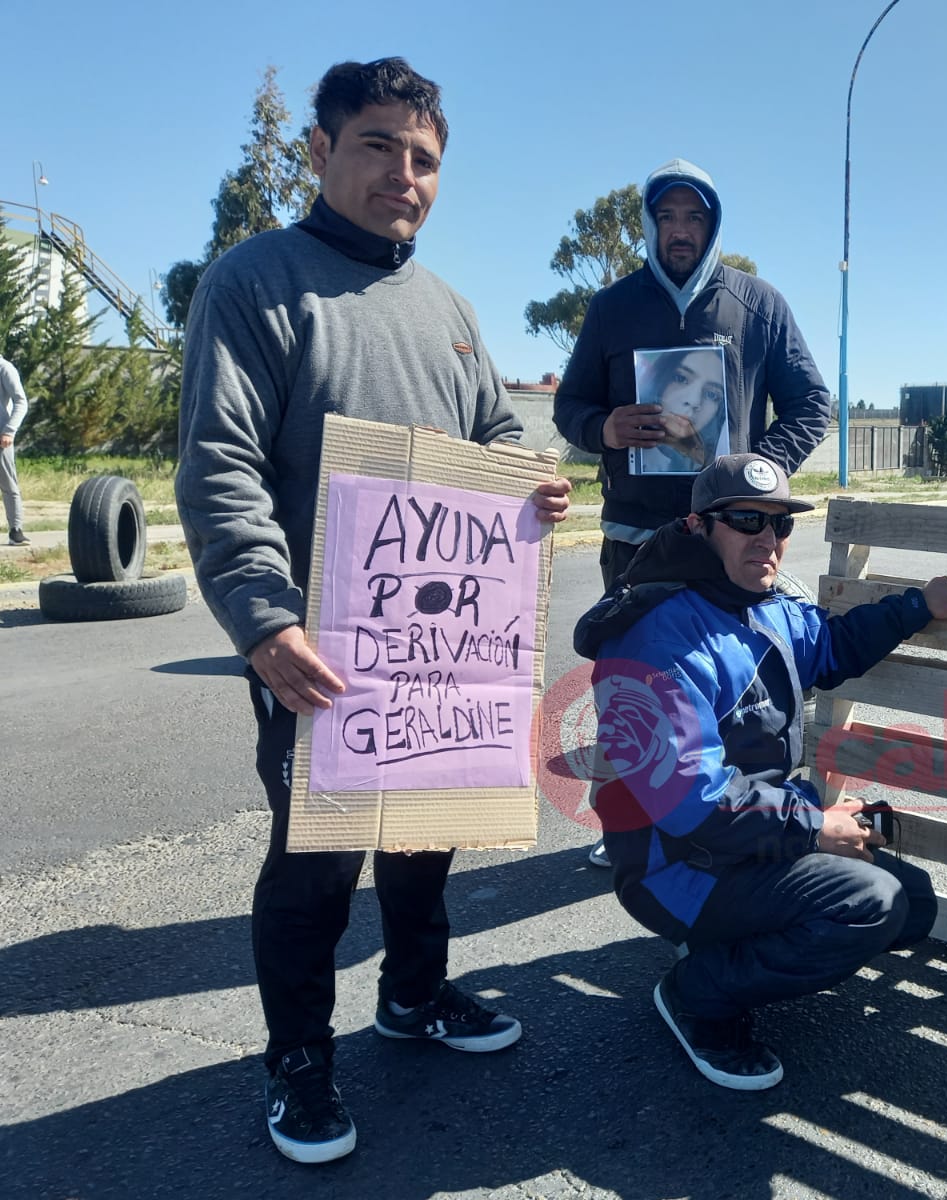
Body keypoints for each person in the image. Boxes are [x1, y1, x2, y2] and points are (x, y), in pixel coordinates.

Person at [175, 57, 572, 1166]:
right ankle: (299, 1057)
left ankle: (415, 993)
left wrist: (526, 480)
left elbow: (493, 433)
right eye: (378, 146)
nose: (404, 175)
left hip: (440, 652)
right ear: (320, 150)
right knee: (316, 866)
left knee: (428, 834)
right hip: (318, 650)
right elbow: (220, 465)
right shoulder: (254, 282)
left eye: (425, 159)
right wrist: (262, 618)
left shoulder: (447, 308)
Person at [573, 453, 947, 1090]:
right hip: (674, 864)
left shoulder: (764, 605)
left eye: (780, 525)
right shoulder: (654, 636)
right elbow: (691, 802)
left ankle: (723, 947)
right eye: (745, 520)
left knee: (915, 904)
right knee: (871, 906)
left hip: (742, 844)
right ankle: (697, 994)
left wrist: (918, 606)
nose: (767, 539)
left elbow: (834, 646)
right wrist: (814, 827)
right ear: (700, 525)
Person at [554, 157, 831, 868]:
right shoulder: (614, 307)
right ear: (649, 223)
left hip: (723, 537)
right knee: (627, 687)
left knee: (720, 684)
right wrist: (606, 428)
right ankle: (625, 828)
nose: (681, 230)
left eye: (695, 217)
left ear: (713, 225)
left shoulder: (758, 304)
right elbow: (570, 406)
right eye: (667, 216)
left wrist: (755, 482)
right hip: (634, 536)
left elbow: (811, 405)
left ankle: (718, 825)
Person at [631, 346, 729, 473]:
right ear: (660, 378)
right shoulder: (632, 451)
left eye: (711, 394)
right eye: (681, 378)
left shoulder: (719, 466)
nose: (694, 401)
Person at [0, 354, 29, 545]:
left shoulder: (4, 368)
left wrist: (9, 431)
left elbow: (21, 401)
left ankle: (16, 531)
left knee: (9, 485)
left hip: (1, 438)